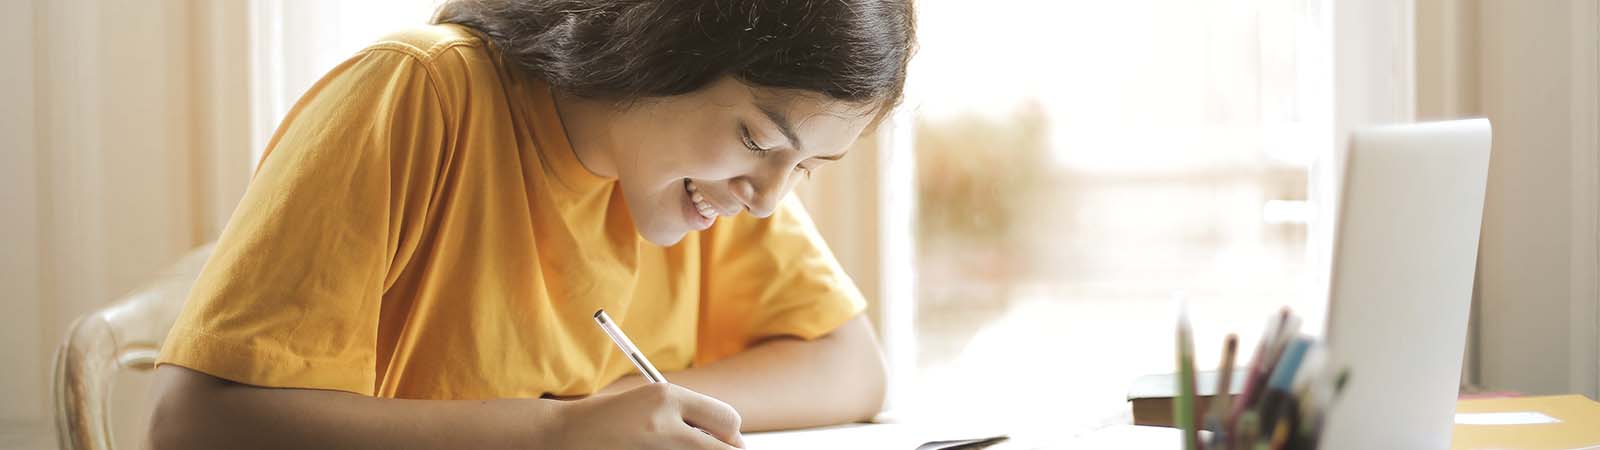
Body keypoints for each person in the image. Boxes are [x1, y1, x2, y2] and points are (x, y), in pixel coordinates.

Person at [147, 0, 915, 449]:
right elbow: (192, 420)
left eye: (809, 165)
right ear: (659, 49)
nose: (769, 200)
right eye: (758, 139)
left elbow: (851, 366)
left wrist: (631, 416)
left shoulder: (712, 179)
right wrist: (557, 435)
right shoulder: (420, 93)